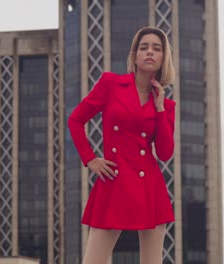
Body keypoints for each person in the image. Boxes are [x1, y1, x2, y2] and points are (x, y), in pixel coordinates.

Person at [68, 26, 176, 264]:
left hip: (149, 185)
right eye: (144, 47)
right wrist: (91, 159)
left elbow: (166, 153)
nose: (149, 52)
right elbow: (75, 120)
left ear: (162, 58)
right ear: (134, 55)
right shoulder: (111, 84)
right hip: (114, 180)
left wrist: (158, 107)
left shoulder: (166, 106)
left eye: (156, 49)